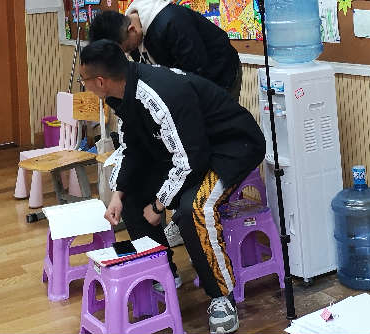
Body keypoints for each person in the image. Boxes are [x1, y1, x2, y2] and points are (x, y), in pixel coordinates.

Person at [80, 40, 265, 334]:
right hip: (188, 149)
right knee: (131, 196)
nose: (85, 85)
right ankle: (162, 271)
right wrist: (118, 194)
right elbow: (132, 148)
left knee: (193, 209)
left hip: (230, 146)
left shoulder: (157, 94)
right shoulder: (121, 94)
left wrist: (159, 205)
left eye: (84, 80)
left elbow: (191, 160)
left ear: (100, 81)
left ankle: (221, 297)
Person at [90, 0, 242, 97]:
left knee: (218, 125)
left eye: (128, 48)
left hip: (220, 71)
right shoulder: (130, 37)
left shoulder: (172, 23)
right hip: (192, 77)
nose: (129, 52)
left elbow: (197, 71)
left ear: (132, 30)